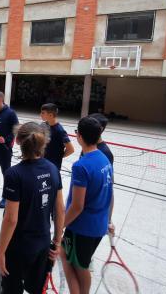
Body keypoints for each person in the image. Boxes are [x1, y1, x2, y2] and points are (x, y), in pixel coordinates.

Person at [0, 122, 65, 294]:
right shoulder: (53, 169)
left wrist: (0, 252)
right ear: (44, 142)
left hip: (18, 248)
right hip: (42, 245)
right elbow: (60, 209)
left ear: (18, 141)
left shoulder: (14, 174)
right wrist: (56, 242)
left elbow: (11, 219)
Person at [61, 117, 113, 294]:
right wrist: (109, 220)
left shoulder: (81, 166)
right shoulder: (105, 159)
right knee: (80, 262)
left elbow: (77, 205)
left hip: (82, 228)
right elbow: (110, 193)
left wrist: (62, 224)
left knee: (77, 265)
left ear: (79, 136)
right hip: (98, 225)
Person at [40, 103, 74, 176]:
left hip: (53, 167)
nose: (40, 114)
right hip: (42, 163)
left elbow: (71, 149)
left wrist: (58, 157)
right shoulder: (43, 125)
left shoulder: (60, 131)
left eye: (43, 113)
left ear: (51, 115)